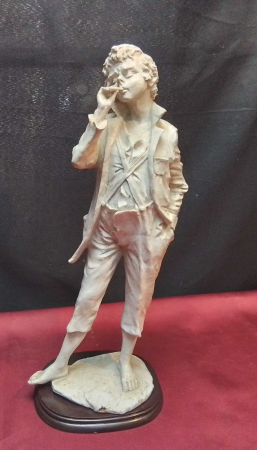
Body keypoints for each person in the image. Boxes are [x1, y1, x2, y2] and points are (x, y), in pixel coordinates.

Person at [29, 44, 188, 392]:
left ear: (148, 77)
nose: (121, 81)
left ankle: (126, 359)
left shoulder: (167, 133)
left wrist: (168, 223)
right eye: (115, 77)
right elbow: (80, 161)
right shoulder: (108, 126)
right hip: (105, 225)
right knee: (88, 295)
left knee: (138, 297)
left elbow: (178, 183)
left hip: (146, 228)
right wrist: (99, 115)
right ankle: (61, 362)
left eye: (128, 74)